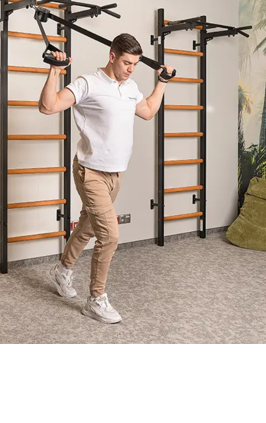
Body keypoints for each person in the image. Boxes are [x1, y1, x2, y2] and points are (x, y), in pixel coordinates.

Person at [38, 33, 174, 324]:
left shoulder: (131, 87)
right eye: (126, 62)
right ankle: (96, 300)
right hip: (91, 172)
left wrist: (161, 83)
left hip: (116, 174)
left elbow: (148, 112)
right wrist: (54, 71)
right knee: (110, 236)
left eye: (135, 64)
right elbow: (48, 106)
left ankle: (62, 270)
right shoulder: (89, 83)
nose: (130, 68)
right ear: (112, 56)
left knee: (87, 227)